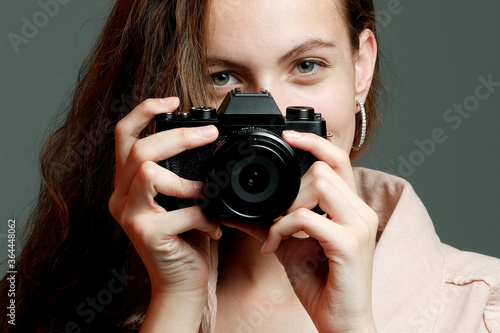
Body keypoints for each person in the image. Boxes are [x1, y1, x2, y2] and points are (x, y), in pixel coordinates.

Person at [1, 0, 499, 332]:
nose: (268, 114)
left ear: (360, 67)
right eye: (221, 76)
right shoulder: (56, 304)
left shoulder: (483, 309)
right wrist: (174, 299)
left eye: (306, 66)